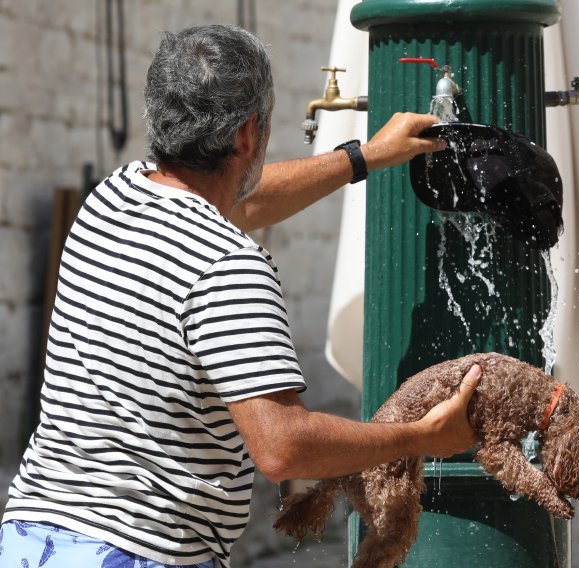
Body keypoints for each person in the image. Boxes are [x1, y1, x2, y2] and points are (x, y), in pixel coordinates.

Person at [0, 24, 481, 568]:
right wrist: (422, 435)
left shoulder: (113, 198)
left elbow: (243, 203)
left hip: (32, 539)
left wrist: (362, 157)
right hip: (139, 554)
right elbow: (283, 447)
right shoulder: (227, 265)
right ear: (249, 132)